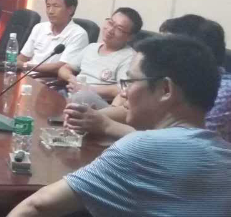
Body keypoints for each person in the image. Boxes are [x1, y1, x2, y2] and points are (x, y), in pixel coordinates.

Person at [0, 35, 231, 217]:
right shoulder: (224, 152)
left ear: (165, 90)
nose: (123, 94)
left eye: (130, 81)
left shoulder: (144, 148)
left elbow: (38, 205)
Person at [65, 15, 231, 142]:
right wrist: (89, 116)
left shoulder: (223, 93)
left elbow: (178, 143)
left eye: (164, 47)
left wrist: (106, 125)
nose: (155, 53)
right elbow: (127, 109)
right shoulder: (178, 77)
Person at [57, 7, 142, 102]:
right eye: (110, 23)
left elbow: (122, 89)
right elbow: (64, 69)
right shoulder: (91, 47)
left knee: (80, 97)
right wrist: (73, 79)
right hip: (71, 95)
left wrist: (87, 89)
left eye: (119, 29)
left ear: (130, 37)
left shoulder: (130, 58)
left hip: (96, 104)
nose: (110, 30)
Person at [17, 0, 88, 75]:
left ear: (70, 10)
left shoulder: (78, 34)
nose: (50, 11)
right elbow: (23, 57)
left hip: (46, 79)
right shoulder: (39, 27)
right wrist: (13, 64)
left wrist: (25, 66)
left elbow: (61, 67)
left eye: (56, 6)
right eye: (48, 6)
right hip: (25, 75)